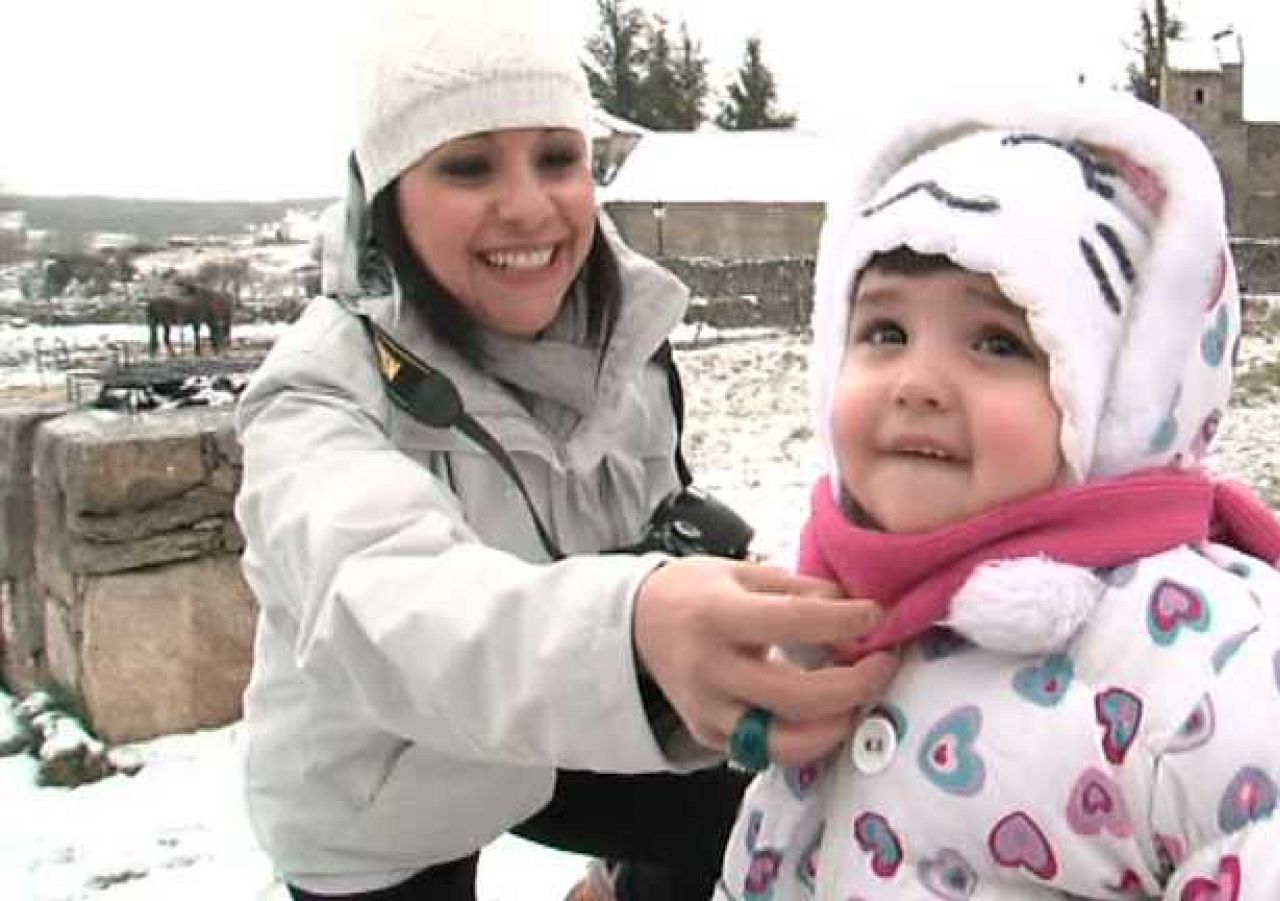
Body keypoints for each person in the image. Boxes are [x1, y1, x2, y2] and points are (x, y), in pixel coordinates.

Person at [231, 2, 897, 898]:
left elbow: (656, 526)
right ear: (386, 197)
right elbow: (382, 599)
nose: (529, 206)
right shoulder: (315, 392)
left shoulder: (627, 341)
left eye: (558, 157)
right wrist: (633, 629)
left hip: (580, 720)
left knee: (757, 814)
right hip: (384, 786)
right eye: (468, 166)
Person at [718, 90, 1280, 899]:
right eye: (884, 333)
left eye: (998, 342)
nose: (917, 384)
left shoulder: (1220, 664)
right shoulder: (828, 619)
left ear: (1121, 397)